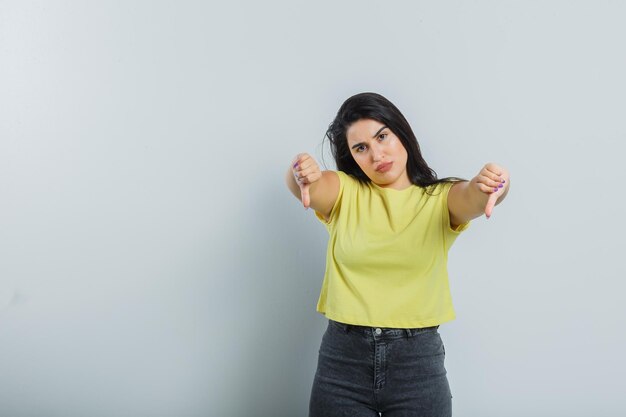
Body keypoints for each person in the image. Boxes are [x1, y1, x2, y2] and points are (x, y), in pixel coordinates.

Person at [285, 92, 510, 417]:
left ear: (401, 132)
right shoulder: (346, 192)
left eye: (382, 136)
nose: (376, 154)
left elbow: (473, 197)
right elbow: (309, 186)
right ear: (352, 157)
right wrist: (299, 173)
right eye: (360, 148)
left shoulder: (439, 199)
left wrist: (493, 184)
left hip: (417, 364)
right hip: (342, 362)